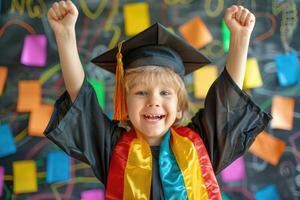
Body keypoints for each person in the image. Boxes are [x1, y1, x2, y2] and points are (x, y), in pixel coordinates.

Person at [45, 1, 272, 199]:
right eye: (141, 93)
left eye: (165, 93)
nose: (153, 101)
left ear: (180, 106)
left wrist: (240, 39)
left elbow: (227, 103)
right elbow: (82, 102)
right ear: (124, 102)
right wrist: (65, 36)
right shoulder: (111, 147)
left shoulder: (201, 143)